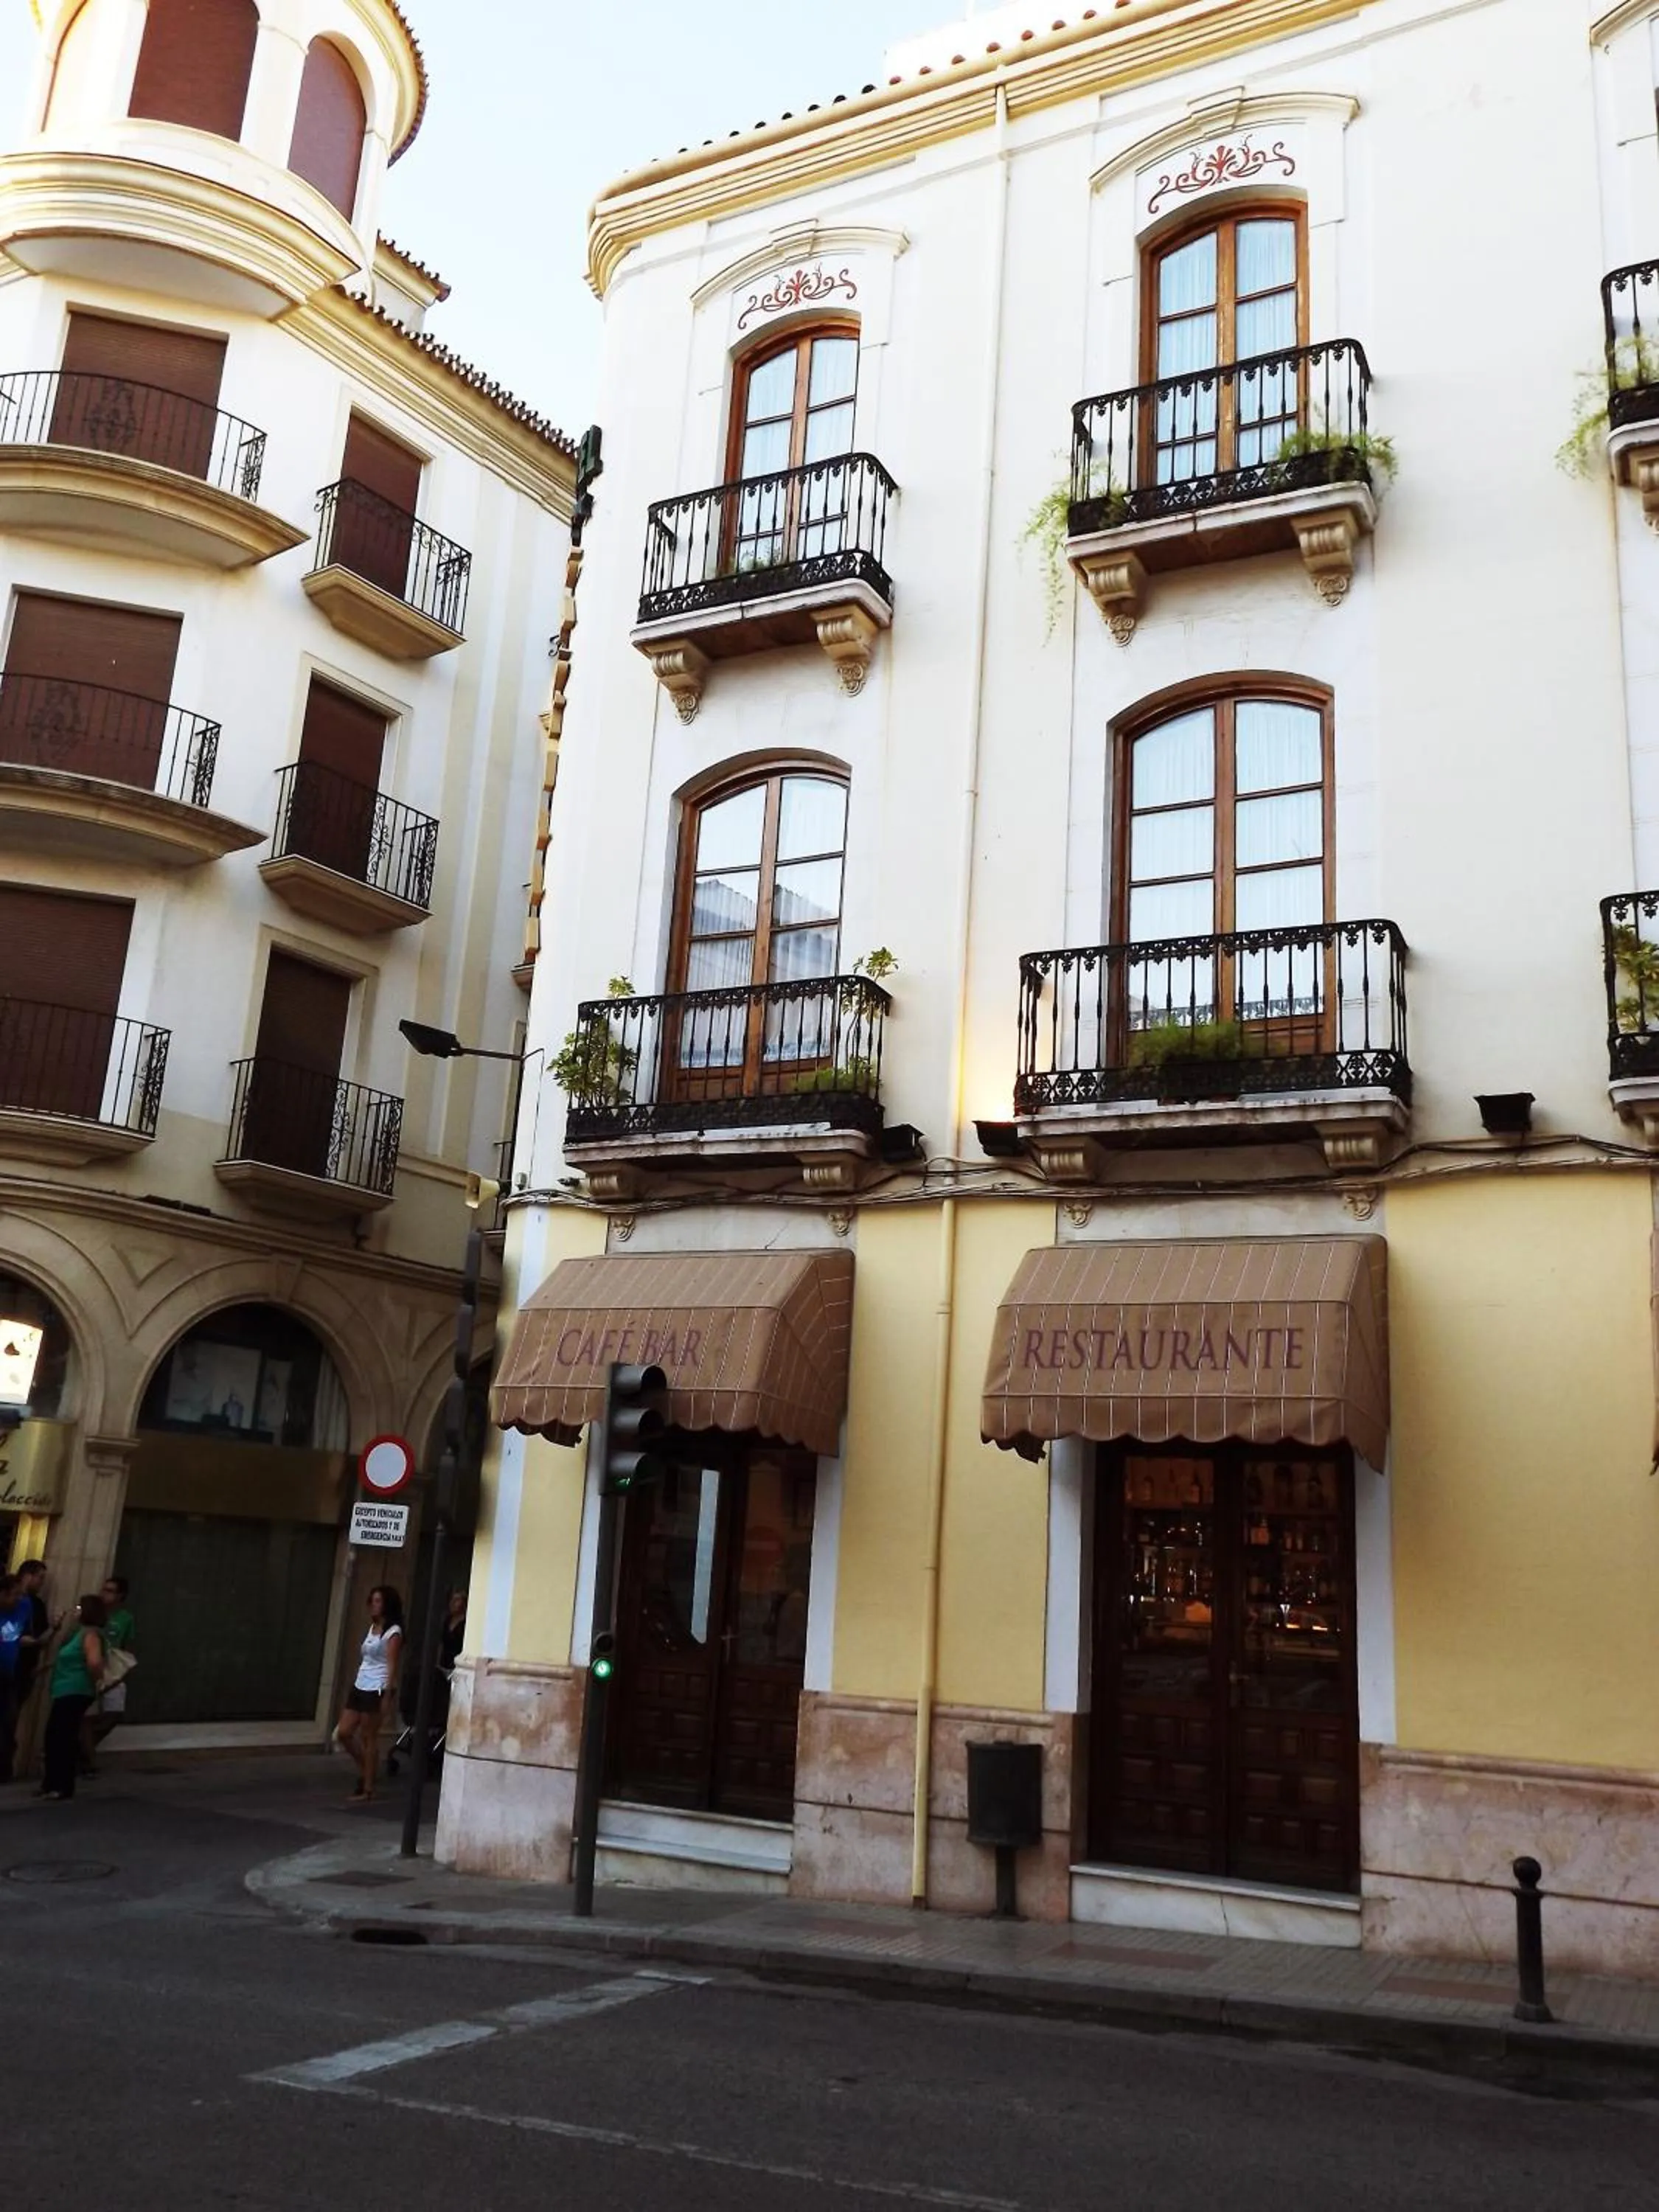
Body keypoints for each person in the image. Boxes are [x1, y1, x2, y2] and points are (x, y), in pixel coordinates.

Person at [332, 1585, 403, 1805]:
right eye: (372, 1600)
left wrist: (388, 1695)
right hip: (360, 1684)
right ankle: (367, 1768)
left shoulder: (394, 1632)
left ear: (387, 1604)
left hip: (378, 1686)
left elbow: (392, 1664)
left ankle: (368, 1787)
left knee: (368, 1736)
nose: (373, 1604)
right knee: (343, 1732)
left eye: (378, 1601)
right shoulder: (372, 1627)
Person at [38, 1593, 105, 1801]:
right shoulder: (77, 1633)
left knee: (62, 1737)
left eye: (79, 1607)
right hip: (65, 1689)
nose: (76, 1611)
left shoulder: (91, 1635)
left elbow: (94, 1662)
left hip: (76, 1690)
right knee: (54, 1736)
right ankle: (51, 1783)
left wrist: (97, 1681)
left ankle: (62, 1785)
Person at [80, 1575, 133, 1775]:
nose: (105, 1595)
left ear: (120, 1596)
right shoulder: (95, 1613)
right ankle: (86, 1757)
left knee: (114, 1713)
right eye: (104, 1590)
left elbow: (126, 1644)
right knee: (87, 1714)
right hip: (93, 1664)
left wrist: (123, 1668)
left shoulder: (125, 1619)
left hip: (112, 1666)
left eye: (110, 1591)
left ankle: (86, 1746)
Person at [0, 1574, 27, 1784]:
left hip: (9, 1674)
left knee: (8, 1722)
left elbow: (23, 1636)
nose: (19, 1598)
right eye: (15, 1595)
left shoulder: (24, 1606)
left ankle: (4, 1770)